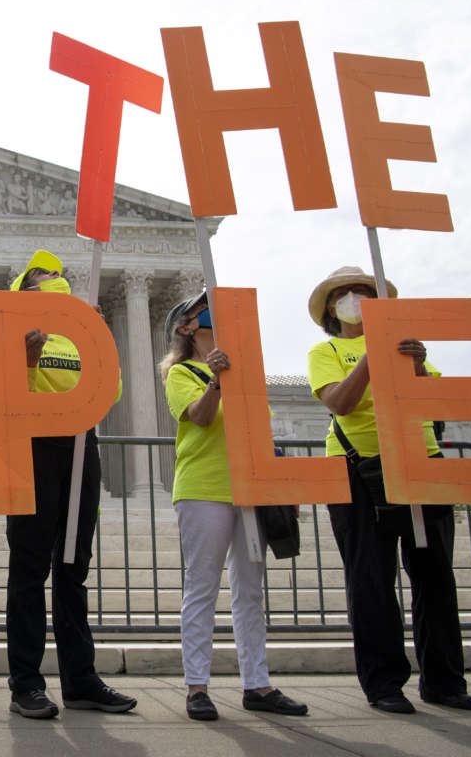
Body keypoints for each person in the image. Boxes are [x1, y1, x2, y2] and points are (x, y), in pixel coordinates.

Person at [306, 266, 471, 714]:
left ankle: (444, 681)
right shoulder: (326, 350)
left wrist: (419, 364)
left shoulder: (407, 347)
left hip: (420, 460)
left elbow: (441, 402)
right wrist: (370, 357)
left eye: (364, 290)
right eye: (344, 292)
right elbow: (341, 404)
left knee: (435, 576)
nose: (354, 297)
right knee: (371, 580)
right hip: (357, 468)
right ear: (330, 307)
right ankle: (384, 684)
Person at [160, 291, 308, 721]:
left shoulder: (245, 372)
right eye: (201, 311)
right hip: (204, 487)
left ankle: (257, 684)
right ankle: (197, 686)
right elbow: (201, 417)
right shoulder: (181, 372)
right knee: (202, 587)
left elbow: (260, 429)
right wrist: (217, 380)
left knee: (250, 591)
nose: (211, 314)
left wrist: (281, 483)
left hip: (251, 484)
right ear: (186, 328)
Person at [4, 249, 137, 719]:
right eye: (42, 278)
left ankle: (80, 680)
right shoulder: (16, 335)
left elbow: (111, 393)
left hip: (82, 446)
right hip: (32, 448)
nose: (54, 281)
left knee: (73, 567)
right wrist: (24, 358)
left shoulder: (76, 339)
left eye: (58, 278)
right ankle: (26, 684)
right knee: (29, 568)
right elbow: (6, 395)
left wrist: (99, 341)